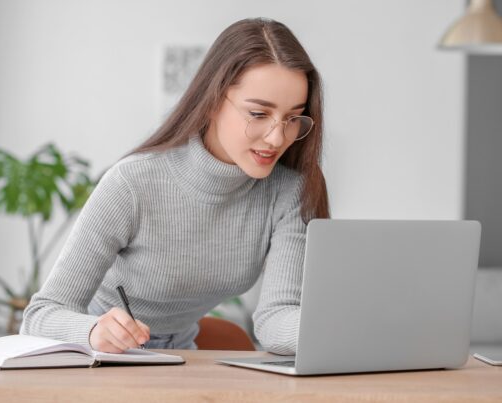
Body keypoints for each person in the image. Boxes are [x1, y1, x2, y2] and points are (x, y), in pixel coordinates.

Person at [20, 17, 329, 356]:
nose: (276, 138)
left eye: (292, 118)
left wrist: (350, 331)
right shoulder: (132, 183)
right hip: (96, 355)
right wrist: (93, 331)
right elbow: (40, 315)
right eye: (258, 114)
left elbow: (276, 317)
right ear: (212, 100)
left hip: (183, 358)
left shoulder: (290, 191)